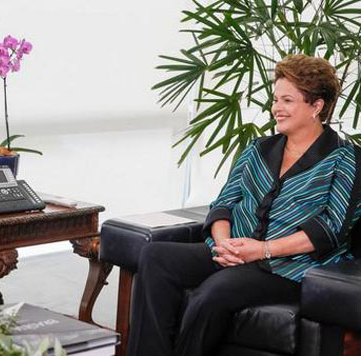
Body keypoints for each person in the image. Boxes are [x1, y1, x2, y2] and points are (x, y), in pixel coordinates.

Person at [127, 54, 361, 356]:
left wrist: (261, 249)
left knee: (213, 293)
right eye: (275, 99)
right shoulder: (257, 148)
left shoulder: (346, 159)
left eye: (287, 100)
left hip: (288, 265)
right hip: (235, 251)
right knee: (156, 256)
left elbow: (331, 229)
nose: (276, 108)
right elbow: (224, 203)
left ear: (316, 106)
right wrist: (225, 246)